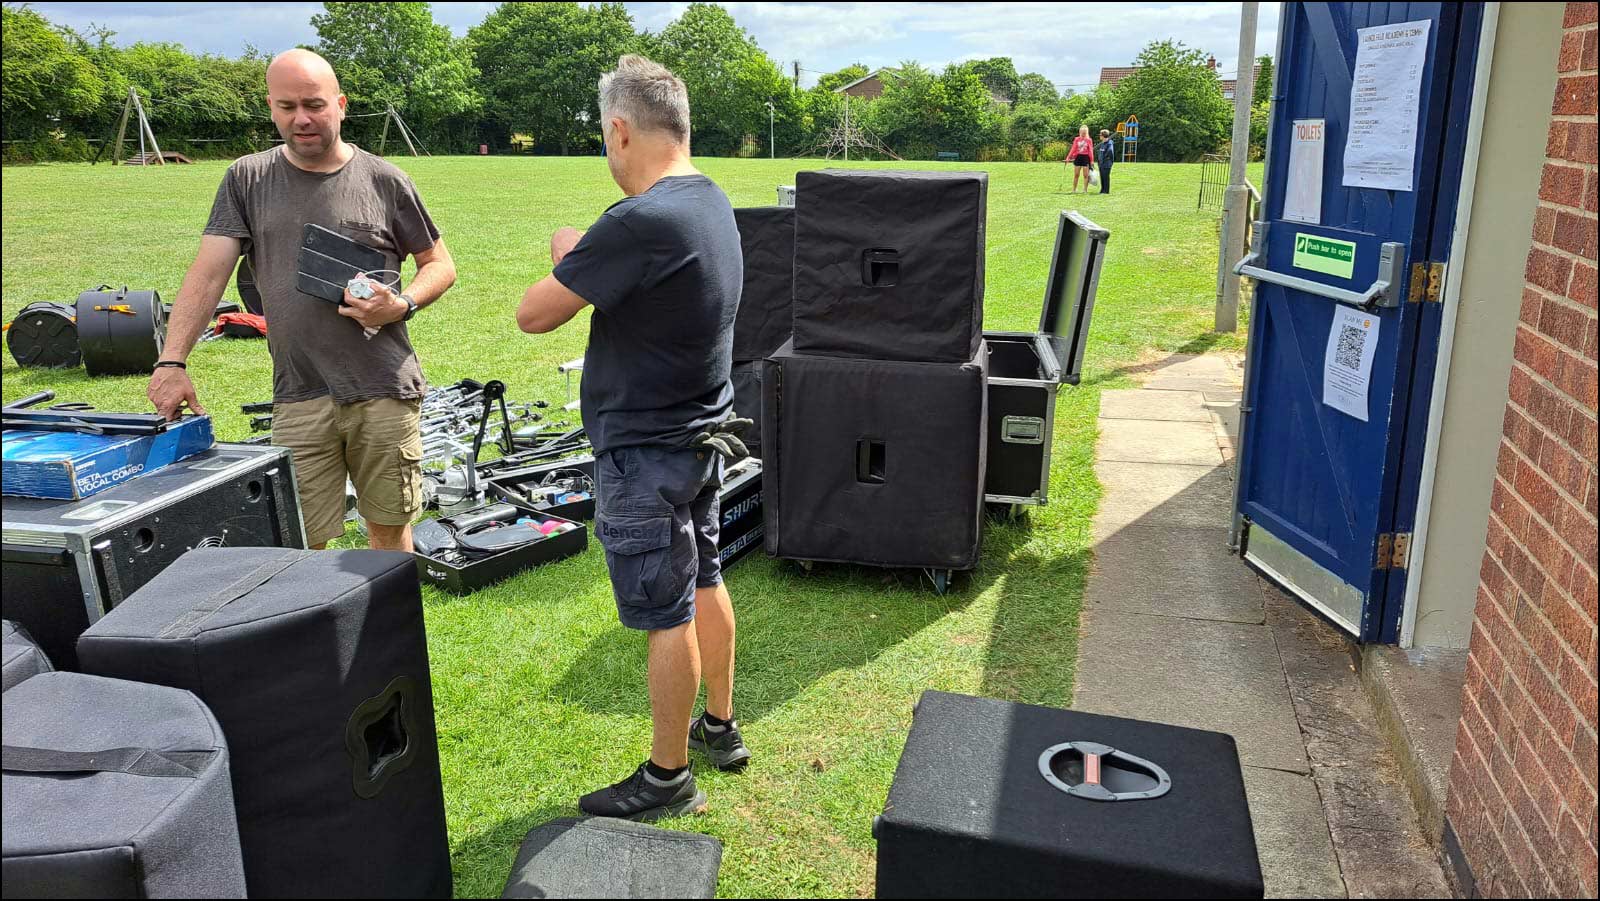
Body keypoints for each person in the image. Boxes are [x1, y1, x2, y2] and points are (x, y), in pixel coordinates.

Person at [515, 55, 750, 821]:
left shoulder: (639, 220)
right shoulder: (711, 199)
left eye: (603, 138)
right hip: (700, 436)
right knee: (706, 575)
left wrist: (566, 247)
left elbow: (536, 313)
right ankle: (720, 723)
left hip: (647, 452)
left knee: (667, 610)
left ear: (619, 129)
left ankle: (668, 773)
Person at [148, 49, 456, 552]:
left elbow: (439, 264)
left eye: (314, 104)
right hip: (299, 392)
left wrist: (401, 305)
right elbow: (207, 274)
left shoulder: (384, 179)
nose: (302, 118)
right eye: (287, 106)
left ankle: (386, 631)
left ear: (340, 104)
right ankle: (321, 633)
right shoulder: (247, 179)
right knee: (300, 544)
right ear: (271, 107)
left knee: (388, 531)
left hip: (382, 386)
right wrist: (172, 359)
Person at [1069, 125, 1095, 194]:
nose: (1083, 134)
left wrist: (1092, 160)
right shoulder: (1076, 139)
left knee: (1085, 175)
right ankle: (1074, 189)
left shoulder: (1089, 140)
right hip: (1078, 157)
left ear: (1086, 132)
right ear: (1080, 132)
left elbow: (1091, 151)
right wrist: (1068, 157)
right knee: (1076, 174)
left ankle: (1085, 190)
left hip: (1086, 158)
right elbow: (1073, 148)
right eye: (1082, 132)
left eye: (1084, 133)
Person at [1097, 129, 1117, 194]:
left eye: (1100, 135)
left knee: (1105, 177)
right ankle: (1102, 189)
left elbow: (1110, 151)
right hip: (1101, 163)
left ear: (1103, 136)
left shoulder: (1109, 143)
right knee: (1102, 177)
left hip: (1106, 163)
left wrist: (1107, 158)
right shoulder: (1102, 143)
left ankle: (1106, 191)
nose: (1100, 136)